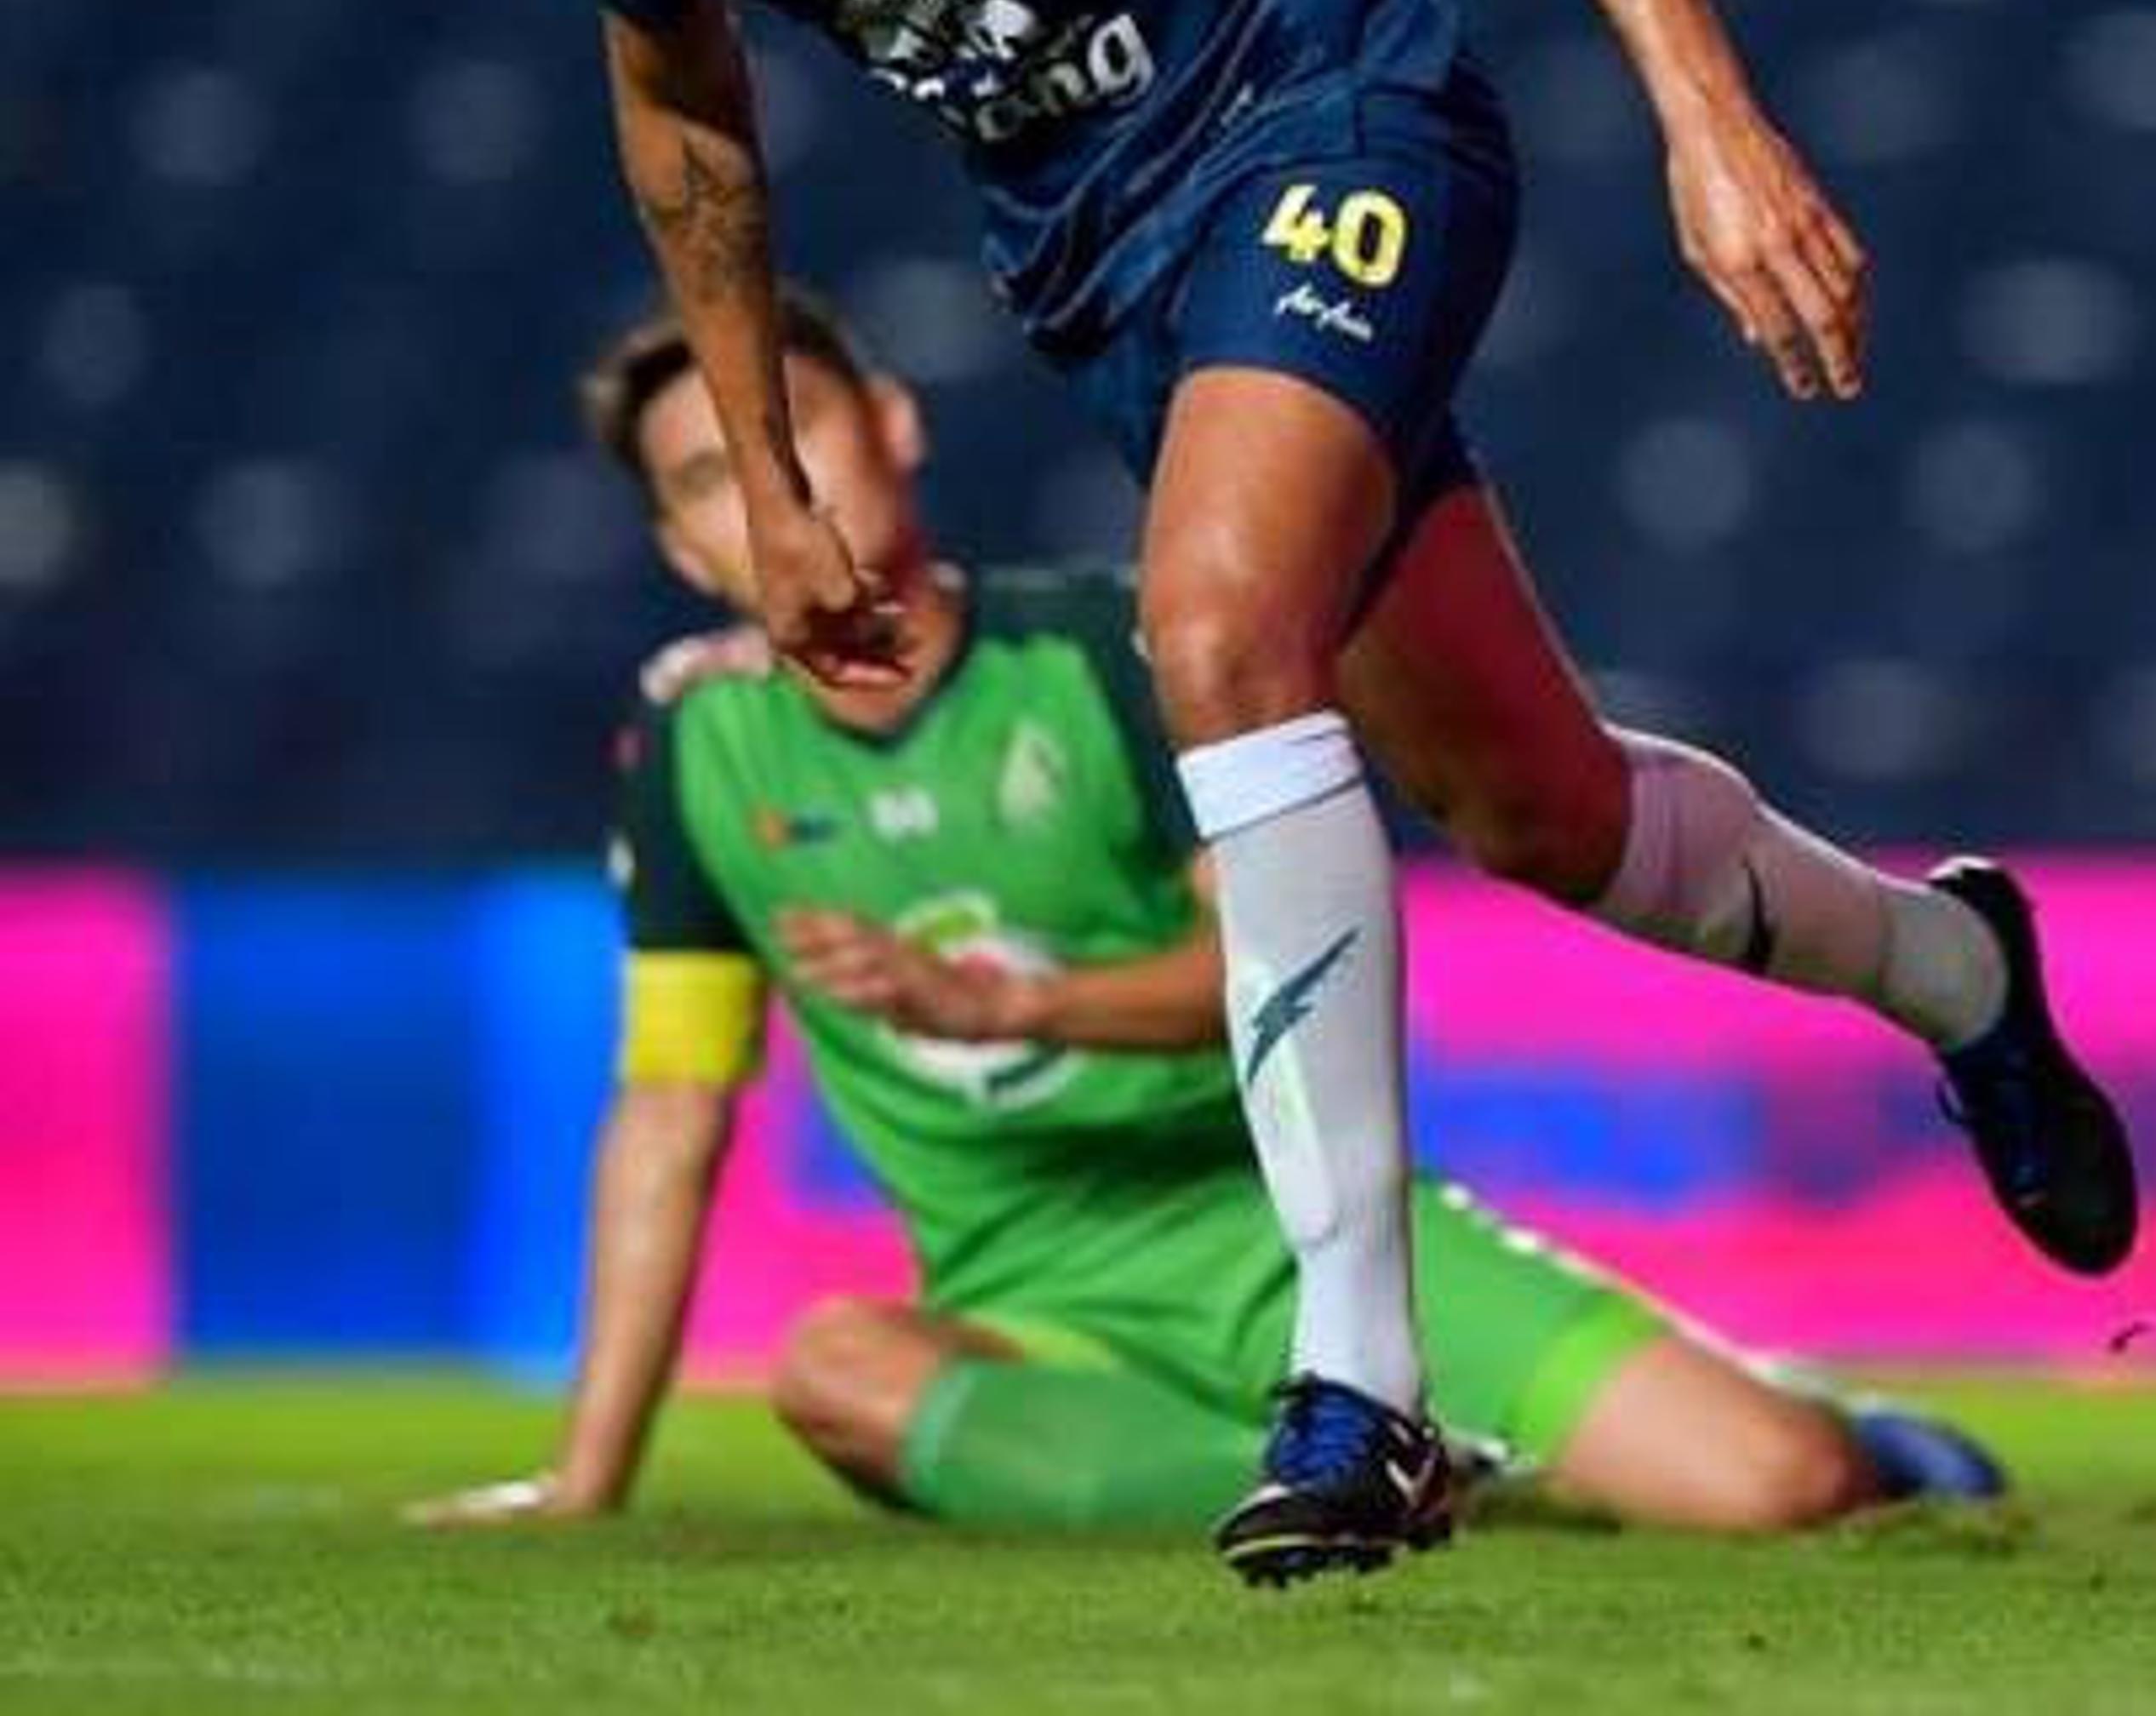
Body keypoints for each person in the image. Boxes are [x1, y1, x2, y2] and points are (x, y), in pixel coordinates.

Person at [402, 0, 2134, 1585]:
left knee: (1216, 635)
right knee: (1543, 809)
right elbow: (686, 118)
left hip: (1339, 126)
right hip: (1118, 278)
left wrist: (1715, 130)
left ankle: (1368, 1383)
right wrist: (775, 468)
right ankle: (1955, 974)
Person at [413, 292, 2004, 1546]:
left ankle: (1810, 1422)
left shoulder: (1115, 653)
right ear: (682, 543)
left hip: (1287, 1233)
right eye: (710, 479)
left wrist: (1011, 1007)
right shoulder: (695, 750)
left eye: (793, 434)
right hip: (1026, 1300)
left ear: (893, 428)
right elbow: (671, 1113)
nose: (772, 497)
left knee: (1784, 1485)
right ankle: (1450, 1478)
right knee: (837, 1366)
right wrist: (585, 1477)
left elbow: (1277, 967)